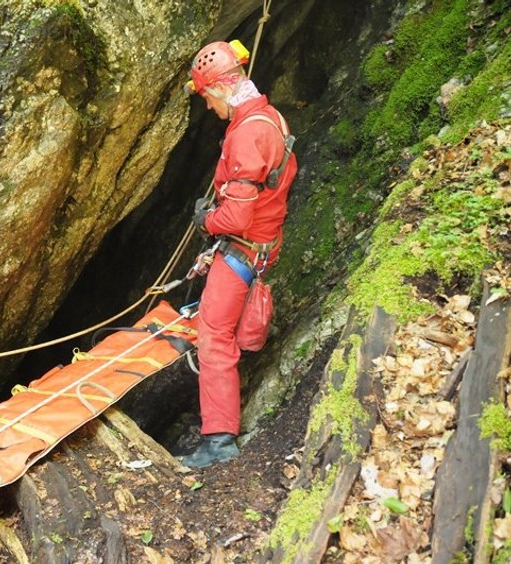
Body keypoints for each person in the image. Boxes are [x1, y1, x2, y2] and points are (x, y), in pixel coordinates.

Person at [181, 40, 298, 468]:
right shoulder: (268, 117)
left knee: (213, 336)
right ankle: (219, 433)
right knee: (218, 329)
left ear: (218, 88)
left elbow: (233, 216)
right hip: (258, 244)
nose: (209, 109)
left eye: (207, 99)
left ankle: (219, 441)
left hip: (244, 248)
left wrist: (206, 222)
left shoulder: (249, 132)